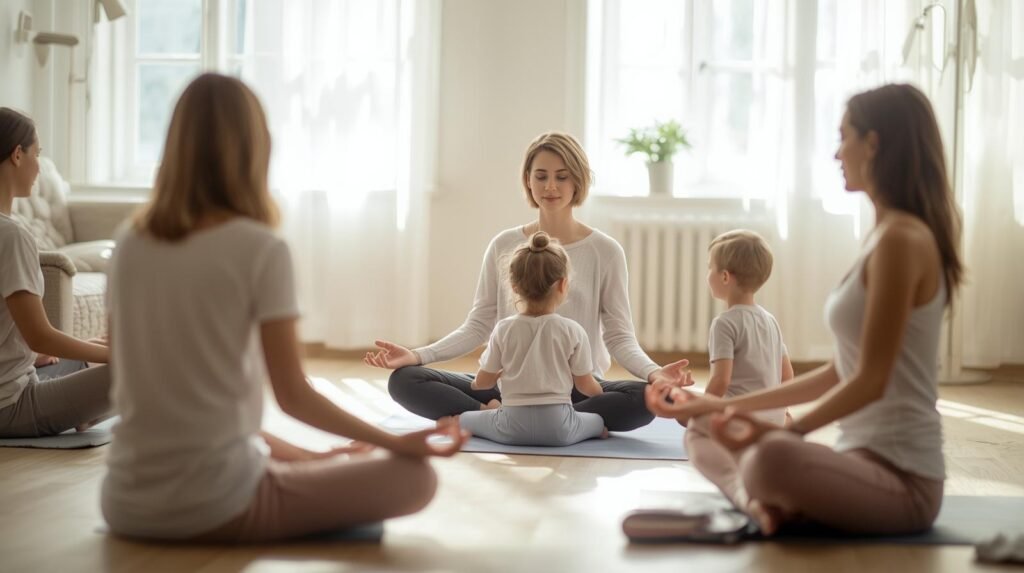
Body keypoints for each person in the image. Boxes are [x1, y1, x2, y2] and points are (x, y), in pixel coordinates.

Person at [100, 73, 468, 543]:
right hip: (217, 505)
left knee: (326, 467)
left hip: (125, 505)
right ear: (256, 147)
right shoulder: (259, 248)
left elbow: (179, 406)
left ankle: (306, 471)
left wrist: (317, 460)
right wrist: (395, 443)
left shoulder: (129, 243)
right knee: (416, 479)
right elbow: (292, 394)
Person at [647, 83, 962, 536]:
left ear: (872, 144)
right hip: (856, 461)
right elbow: (841, 370)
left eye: (843, 137)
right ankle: (758, 504)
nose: (837, 154)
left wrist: (784, 433)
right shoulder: (882, 236)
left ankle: (757, 495)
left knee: (769, 458)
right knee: (702, 432)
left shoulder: (902, 240)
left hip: (903, 481)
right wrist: (725, 407)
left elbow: (871, 379)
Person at [366, 132, 692, 431]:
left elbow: (620, 336)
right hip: (506, 387)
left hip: (576, 389)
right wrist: (418, 356)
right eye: (541, 176)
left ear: (577, 181)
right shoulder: (503, 245)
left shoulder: (605, 251)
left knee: (644, 398)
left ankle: (492, 418)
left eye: (562, 177)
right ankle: (504, 412)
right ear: (528, 181)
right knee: (405, 380)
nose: (551, 186)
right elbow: (479, 325)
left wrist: (654, 373)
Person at [0, 107, 111, 438]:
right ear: (17, 155)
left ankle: (80, 410)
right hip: (11, 405)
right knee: (142, 368)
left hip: (19, 382)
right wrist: (113, 354)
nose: (38, 167)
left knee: (81, 362)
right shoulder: (12, 236)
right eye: (38, 154)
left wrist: (36, 356)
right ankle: (80, 413)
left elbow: (34, 344)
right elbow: (40, 336)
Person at [446, 231, 608, 446]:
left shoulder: (503, 329)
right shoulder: (573, 330)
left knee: (467, 419)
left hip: (509, 427)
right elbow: (587, 386)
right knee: (597, 422)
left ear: (514, 287)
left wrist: (480, 382)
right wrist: (604, 393)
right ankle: (598, 429)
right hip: (560, 429)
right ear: (563, 285)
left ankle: (464, 420)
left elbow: (483, 382)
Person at [682, 229, 793, 509]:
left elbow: (721, 381)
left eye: (710, 268)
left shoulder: (725, 323)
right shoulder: (770, 321)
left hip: (740, 422)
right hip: (773, 421)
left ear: (724, 277)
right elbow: (787, 377)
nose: (707, 274)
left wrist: (697, 408)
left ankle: (735, 476)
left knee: (692, 428)